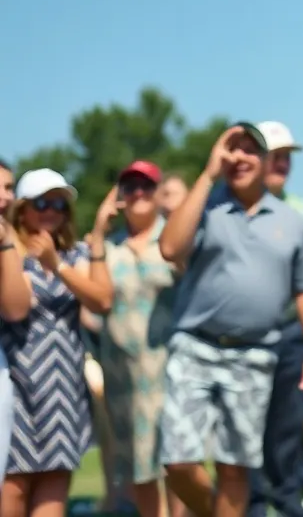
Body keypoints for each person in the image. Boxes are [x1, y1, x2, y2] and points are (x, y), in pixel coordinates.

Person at [158, 124, 303, 517]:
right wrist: (207, 174)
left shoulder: (290, 219)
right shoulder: (207, 206)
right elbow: (169, 247)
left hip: (256, 354)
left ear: (268, 161)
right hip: (195, 346)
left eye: (252, 151)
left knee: (236, 468)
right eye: (234, 149)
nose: (241, 158)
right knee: (179, 463)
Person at [1, 169, 113, 517]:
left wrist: (56, 265)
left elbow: (102, 301)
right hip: (17, 386)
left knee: (53, 488)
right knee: (13, 488)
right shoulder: (9, 253)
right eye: (43, 203)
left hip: (63, 389)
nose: (52, 211)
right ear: (22, 209)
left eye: (60, 204)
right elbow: (15, 310)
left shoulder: (75, 254)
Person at [95, 161, 181, 517]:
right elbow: (96, 299)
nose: (138, 194)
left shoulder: (175, 239)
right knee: (138, 467)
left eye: (146, 186)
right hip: (122, 375)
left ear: (159, 193)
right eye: (130, 187)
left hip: (169, 367)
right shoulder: (107, 248)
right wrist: (99, 232)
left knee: (178, 461)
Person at [248, 121, 303, 517]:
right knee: (247, 425)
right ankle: (254, 502)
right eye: (276, 156)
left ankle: (287, 499)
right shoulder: (230, 205)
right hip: (248, 334)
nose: (283, 164)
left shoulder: (300, 208)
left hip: (290, 329)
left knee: (288, 422)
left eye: (287, 157)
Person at [0, 158, 27, 479]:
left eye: (8, 187)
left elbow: (16, 308)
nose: (4, 197)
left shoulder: (10, 246)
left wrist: (6, 244)